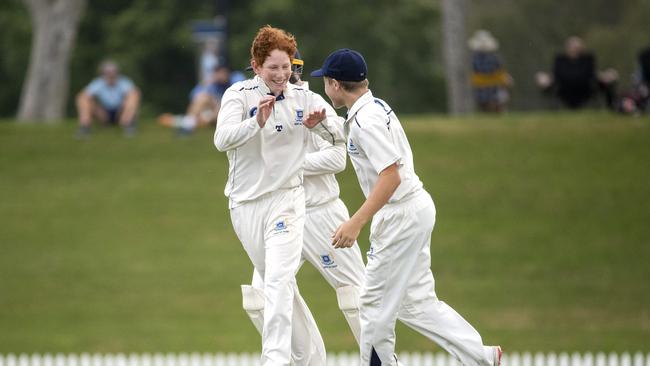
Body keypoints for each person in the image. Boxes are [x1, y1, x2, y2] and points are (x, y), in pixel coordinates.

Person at [310, 48, 502, 366]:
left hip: (399, 213)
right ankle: (481, 356)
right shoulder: (372, 107)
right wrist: (321, 129)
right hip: (414, 207)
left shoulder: (365, 121)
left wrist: (355, 222)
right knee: (416, 303)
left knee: (371, 303)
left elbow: (390, 177)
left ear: (334, 84)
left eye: (325, 82)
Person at [213, 26, 344, 366]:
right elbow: (222, 139)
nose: (282, 74)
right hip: (245, 205)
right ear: (256, 67)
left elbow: (339, 142)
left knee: (277, 280)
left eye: (286, 67)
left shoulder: (304, 97)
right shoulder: (239, 95)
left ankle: (273, 359)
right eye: (273, 67)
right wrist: (255, 121)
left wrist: (323, 127)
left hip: (287, 201)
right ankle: (311, 359)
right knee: (279, 286)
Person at [240, 49, 368, 365]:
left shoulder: (316, 106)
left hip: (322, 214)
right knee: (260, 299)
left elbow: (339, 159)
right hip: (282, 215)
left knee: (356, 298)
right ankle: (308, 361)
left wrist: (291, 165)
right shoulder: (259, 108)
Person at [536, 36, 617, 109]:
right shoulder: (560, 60)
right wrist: (544, 78)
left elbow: (594, 73)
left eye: (577, 47)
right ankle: (545, 109)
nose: (574, 49)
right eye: (572, 47)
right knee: (542, 80)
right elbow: (553, 74)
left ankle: (612, 107)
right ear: (567, 48)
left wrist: (607, 76)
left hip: (586, 90)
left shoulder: (588, 59)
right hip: (563, 90)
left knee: (611, 77)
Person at [158, 65, 232, 134]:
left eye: (224, 73)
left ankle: (186, 124)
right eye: (220, 73)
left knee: (208, 103)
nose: (222, 76)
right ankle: (188, 123)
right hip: (211, 112)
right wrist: (208, 83)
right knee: (203, 98)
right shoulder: (213, 83)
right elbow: (194, 95)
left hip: (226, 112)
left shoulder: (234, 80)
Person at [76, 60, 140, 138]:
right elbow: (84, 95)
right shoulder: (98, 82)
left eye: (113, 72)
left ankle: (128, 124)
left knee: (134, 95)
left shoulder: (124, 82)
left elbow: (133, 93)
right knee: (83, 98)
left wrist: (125, 112)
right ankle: (85, 126)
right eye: (108, 73)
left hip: (120, 112)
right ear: (103, 74)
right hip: (104, 113)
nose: (111, 75)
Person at [468, 30, 513, 112]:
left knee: (486, 108)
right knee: (500, 101)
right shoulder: (494, 58)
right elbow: (499, 72)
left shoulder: (474, 59)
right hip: (494, 88)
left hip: (480, 89)